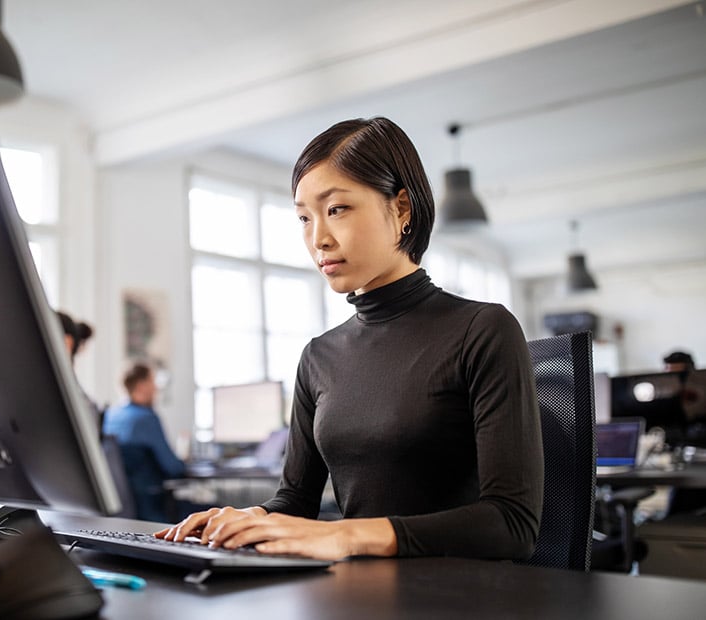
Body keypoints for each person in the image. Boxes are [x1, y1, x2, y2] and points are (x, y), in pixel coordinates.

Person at [157, 117, 544, 561]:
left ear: (401, 209)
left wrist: (347, 535)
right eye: (304, 217)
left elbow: (511, 524)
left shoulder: (482, 330)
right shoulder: (318, 356)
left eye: (336, 209)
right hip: (357, 593)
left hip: (457, 597)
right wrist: (249, 519)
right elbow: (295, 503)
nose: (318, 238)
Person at [103, 362, 186, 521]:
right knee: (215, 509)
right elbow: (173, 468)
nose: (156, 389)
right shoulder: (146, 418)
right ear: (142, 386)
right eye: (153, 382)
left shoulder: (110, 415)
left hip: (121, 508)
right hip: (151, 508)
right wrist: (184, 462)